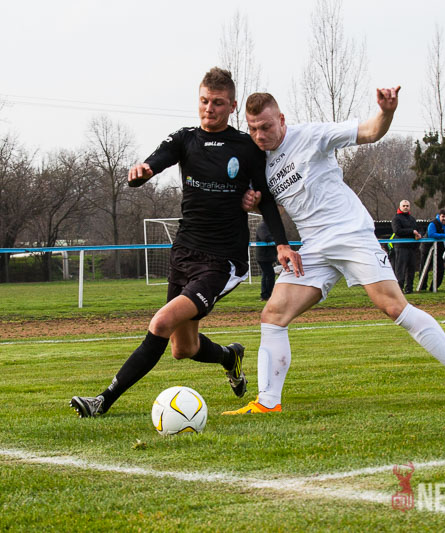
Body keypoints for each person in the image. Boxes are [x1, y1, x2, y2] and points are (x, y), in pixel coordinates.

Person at [224, 88, 445, 415]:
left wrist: (386, 112)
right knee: (273, 315)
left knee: (393, 307)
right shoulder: (260, 162)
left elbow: (370, 131)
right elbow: (275, 206)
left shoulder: (312, 136)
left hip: (351, 233)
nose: (259, 135)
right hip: (314, 247)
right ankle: (268, 403)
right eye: (252, 128)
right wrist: (253, 202)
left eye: (265, 127)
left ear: (281, 120)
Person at [70, 67, 292, 418]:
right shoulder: (184, 139)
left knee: (161, 322)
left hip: (222, 261)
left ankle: (102, 401)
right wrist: (142, 172)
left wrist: (281, 243)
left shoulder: (246, 147)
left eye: (217, 103)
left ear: (232, 106)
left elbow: (264, 198)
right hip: (184, 254)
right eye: (204, 101)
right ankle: (229, 357)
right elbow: (154, 163)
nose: (209, 108)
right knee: (182, 348)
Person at [417, 209, 445, 291]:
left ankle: (433, 287)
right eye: (443, 217)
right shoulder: (433, 223)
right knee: (425, 268)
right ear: (439, 216)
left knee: (440, 270)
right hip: (427, 248)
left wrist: (443, 236)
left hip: (439, 249)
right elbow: (431, 234)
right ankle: (422, 287)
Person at [391, 199, 421, 294]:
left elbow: (417, 229)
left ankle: (409, 288)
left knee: (411, 269)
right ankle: (399, 289)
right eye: (404, 206)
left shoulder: (412, 219)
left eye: (407, 206)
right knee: (401, 269)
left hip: (411, 247)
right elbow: (397, 231)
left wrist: (418, 234)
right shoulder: (396, 218)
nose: (405, 207)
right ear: (400, 207)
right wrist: (411, 232)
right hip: (401, 247)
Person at [255, 220, 278, 301]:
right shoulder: (263, 226)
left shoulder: (267, 226)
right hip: (263, 256)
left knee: (266, 275)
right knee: (270, 275)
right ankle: (267, 295)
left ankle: (265, 295)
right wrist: (277, 239)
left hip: (267, 255)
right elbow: (265, 237)